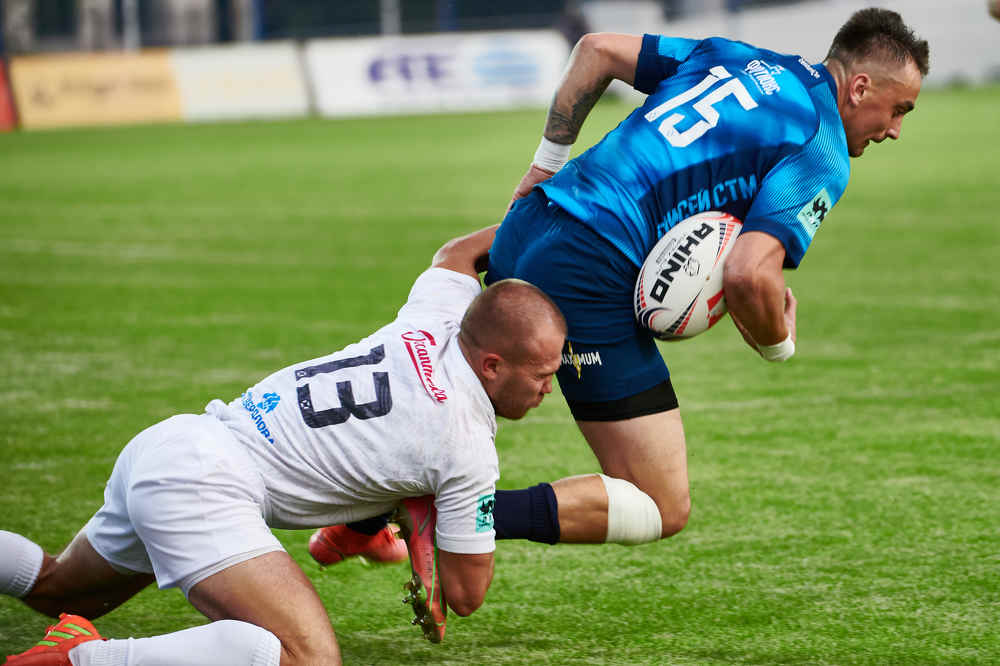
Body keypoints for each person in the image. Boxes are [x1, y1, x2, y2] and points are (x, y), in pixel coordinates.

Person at [308, 8, 930, 560]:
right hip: (591, 269)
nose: (896, 129)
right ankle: (447, 516)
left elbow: (596, 51)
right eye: (899, 109)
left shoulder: (737, 57)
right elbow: (747, 274)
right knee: (662, 501)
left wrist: (543, 167)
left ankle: (358, 521)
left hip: (534, 219)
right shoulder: (821, 150)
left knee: (462, 379)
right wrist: (777, 340)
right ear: (859, 86)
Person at [1, 226, 567, 666]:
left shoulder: (436, 317)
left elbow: (459, 252)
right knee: (308, 657)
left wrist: (544, 217)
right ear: (492, 366)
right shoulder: (465, 442)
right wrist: (436, 506)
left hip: (178, 440)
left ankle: (72, 636)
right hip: (205, 483)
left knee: (57, 590)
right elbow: (467, 594)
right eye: (541, 374)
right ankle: (79, 656)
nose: (550, 387)